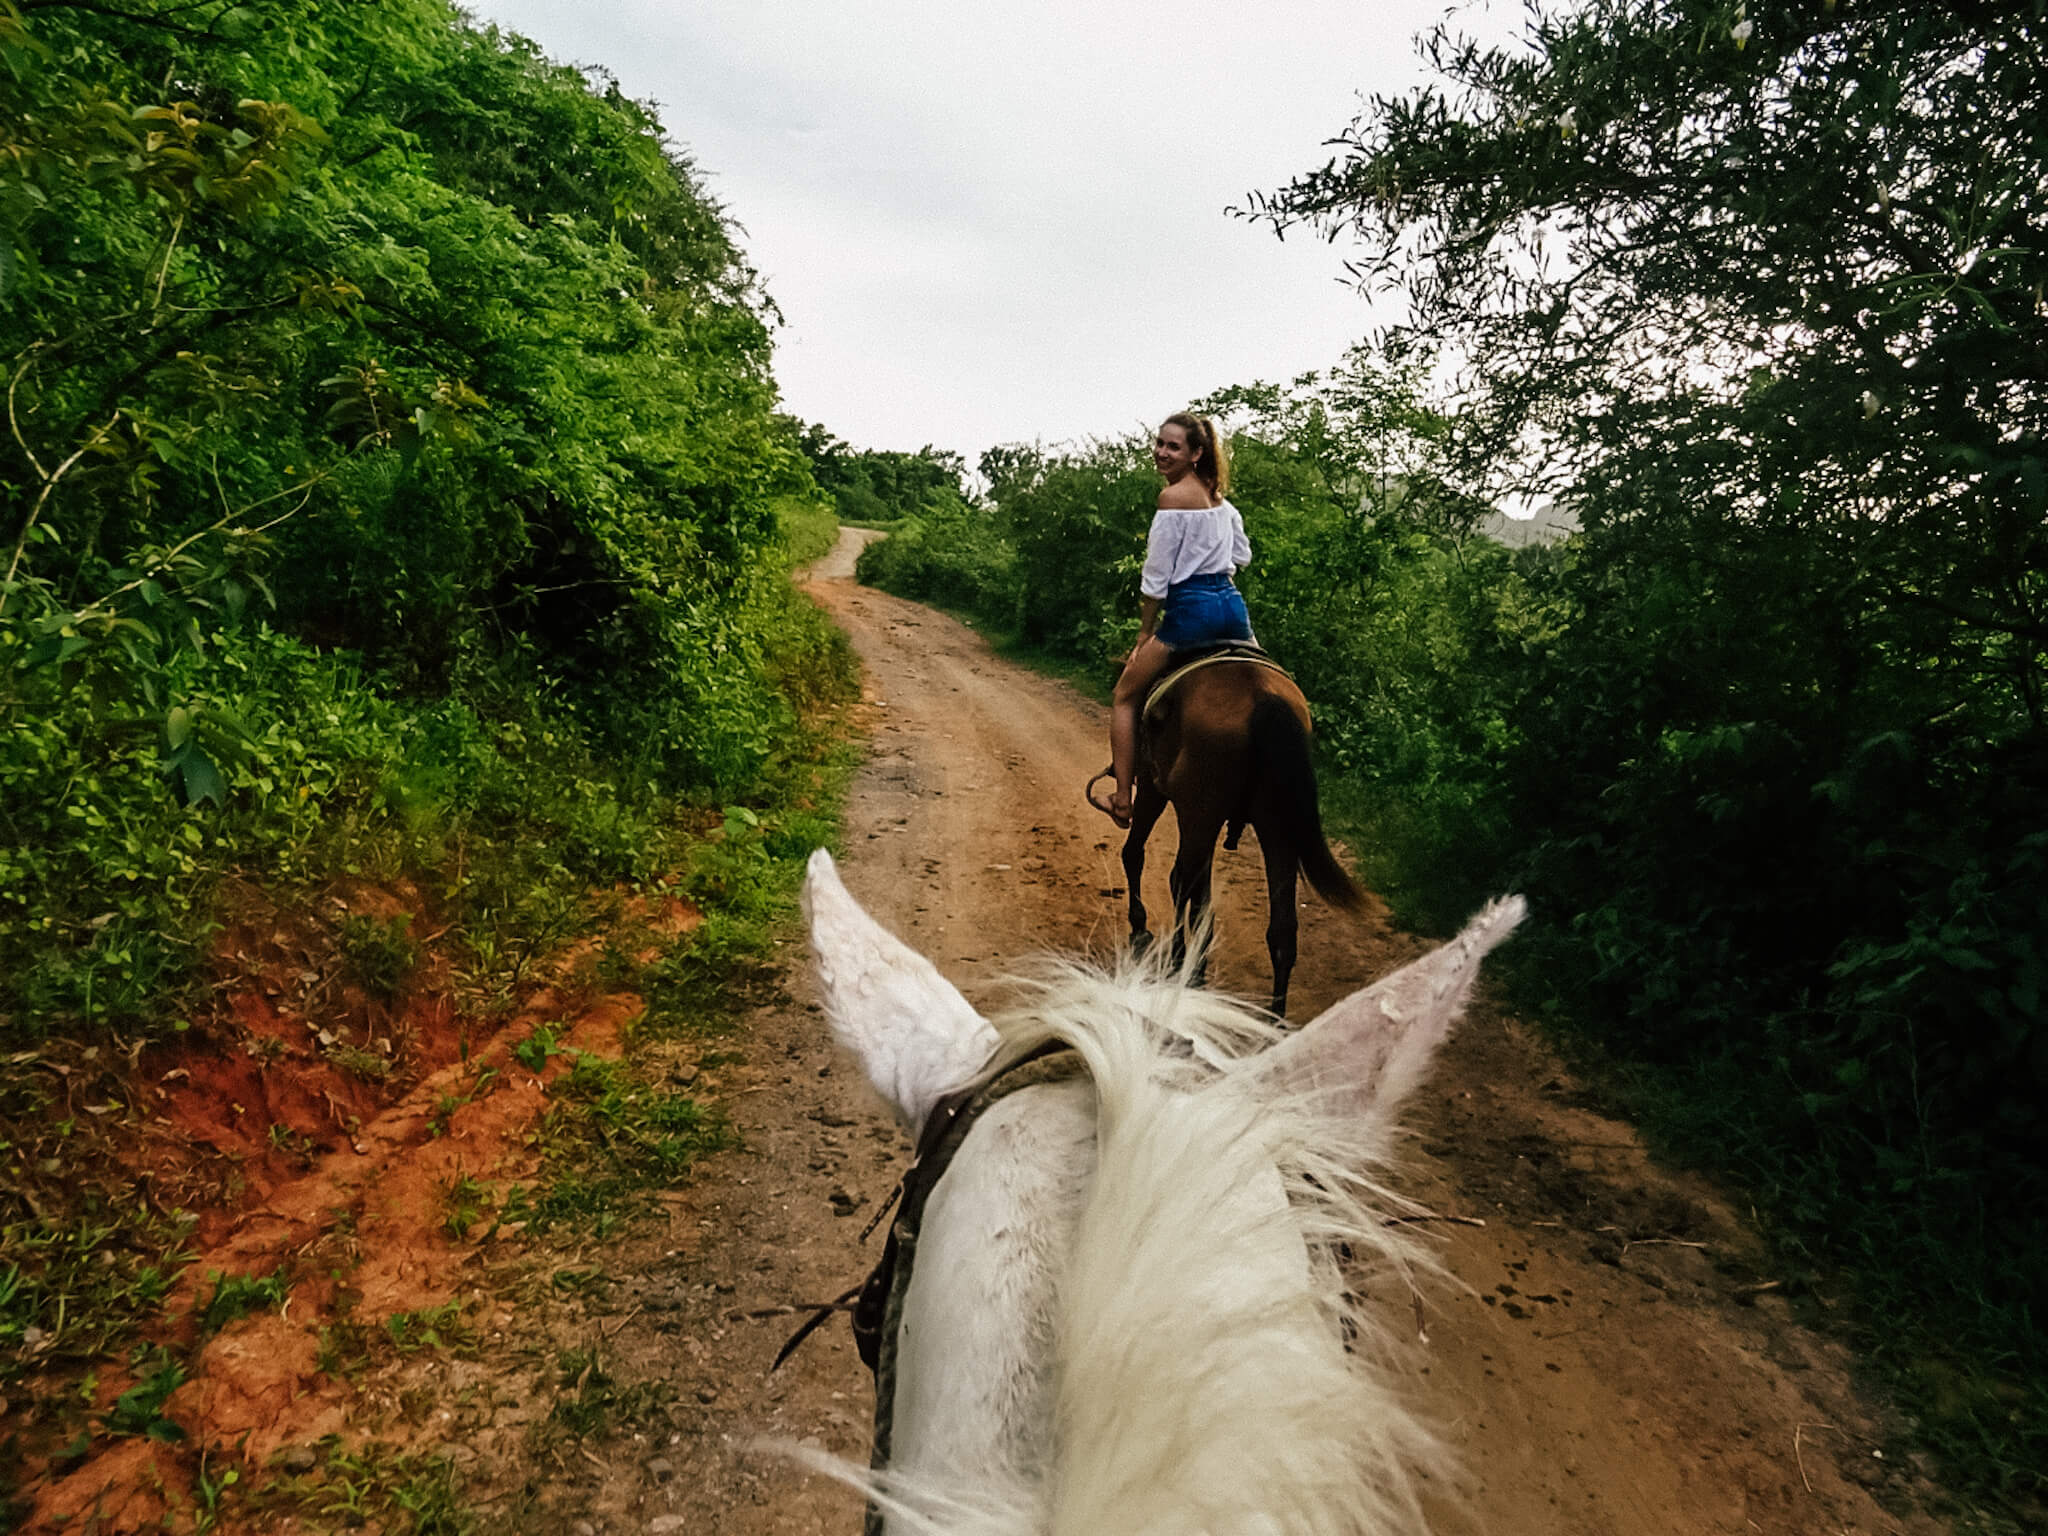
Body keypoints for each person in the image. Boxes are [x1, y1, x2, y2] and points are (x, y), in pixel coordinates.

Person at [1102, 412, 1254, 827]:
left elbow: (1156, 579)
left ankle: (1121, 798)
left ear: (1196, 454)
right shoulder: (1221, 501)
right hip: (1233, 611)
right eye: (1160, 443)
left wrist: (1144, 633)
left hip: (1192, 612)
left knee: (1125, 695)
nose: (1162, 453)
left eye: (1173, 447)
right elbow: (1242, 556)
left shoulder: (1171, 499)